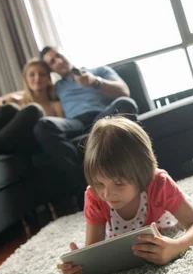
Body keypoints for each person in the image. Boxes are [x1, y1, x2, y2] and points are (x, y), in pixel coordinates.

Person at [57, 117, 193, 274]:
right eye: (99, 183)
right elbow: (94, 251)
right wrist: (78, 270)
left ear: (143, 174)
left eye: (119, 183)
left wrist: (176, 246)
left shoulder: (159, 183)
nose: (107, 193)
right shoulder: (94, 196)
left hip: (161, 220)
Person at [35, 46, 139, 194]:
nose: (58, 61)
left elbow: (124, 91)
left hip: (102, 116)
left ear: (65, 53)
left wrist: (95, 82)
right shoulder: (56, 88)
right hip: (75, 123)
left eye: (58, 55)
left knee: (125, 103)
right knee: (43, 125)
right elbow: (32, 90)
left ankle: (133, 171)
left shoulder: (99, 71)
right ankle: (86, 183)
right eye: (52, 61)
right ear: (51, 69)